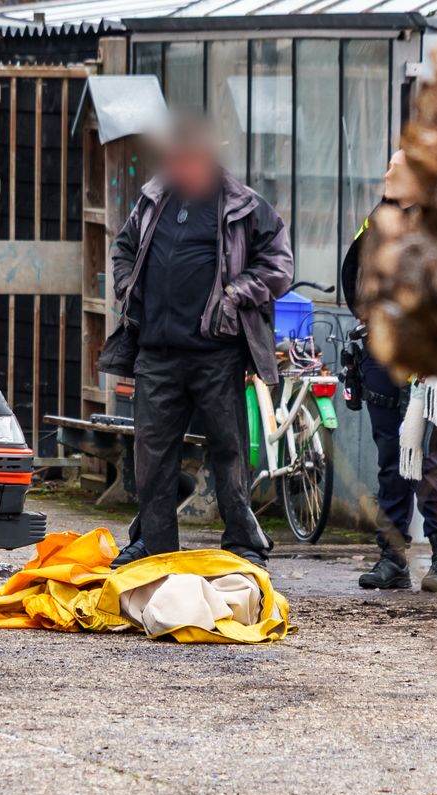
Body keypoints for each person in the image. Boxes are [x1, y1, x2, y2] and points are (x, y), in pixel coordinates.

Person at [100, 116, 293, 568]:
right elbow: (123, 248)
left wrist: (233, 295)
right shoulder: (153, 199)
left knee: (227, 449)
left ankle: (243, 544)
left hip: (216, 352)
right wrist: (130, 288)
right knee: (152, 451)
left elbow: (279, 265)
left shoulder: (244, 206)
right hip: (156, 351)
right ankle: (154, 542)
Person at [341, 151, 437, 592]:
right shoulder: (377, 219)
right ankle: (392, 558)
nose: (386, 171)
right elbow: (355, 270)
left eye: (396, 167)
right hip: (380, 353)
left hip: (429, 359)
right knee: (391, 459)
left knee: (431, 460)